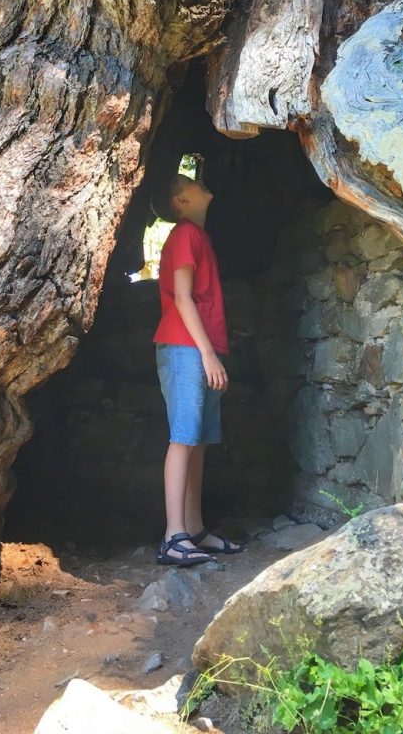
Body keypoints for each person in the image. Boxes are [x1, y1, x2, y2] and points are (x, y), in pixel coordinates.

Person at [150, 171, 243, 566]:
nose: (197, 180)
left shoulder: (198, 236)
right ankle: (174, 537)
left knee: (199, 442)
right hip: (186, 347)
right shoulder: (186, 234)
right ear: (180, 201)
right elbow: (183, 298)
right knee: (184, 437)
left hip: (197, 347)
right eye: (186, 181)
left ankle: (195, 529)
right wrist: (207, 353)